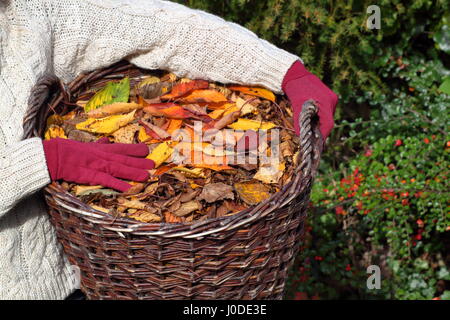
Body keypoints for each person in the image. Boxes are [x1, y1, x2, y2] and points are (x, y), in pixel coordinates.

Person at [0, 0, 338, 299]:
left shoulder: (28, 12)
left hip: (88, 274)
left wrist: (285, 72)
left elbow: (163, 30)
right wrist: (37, 162)